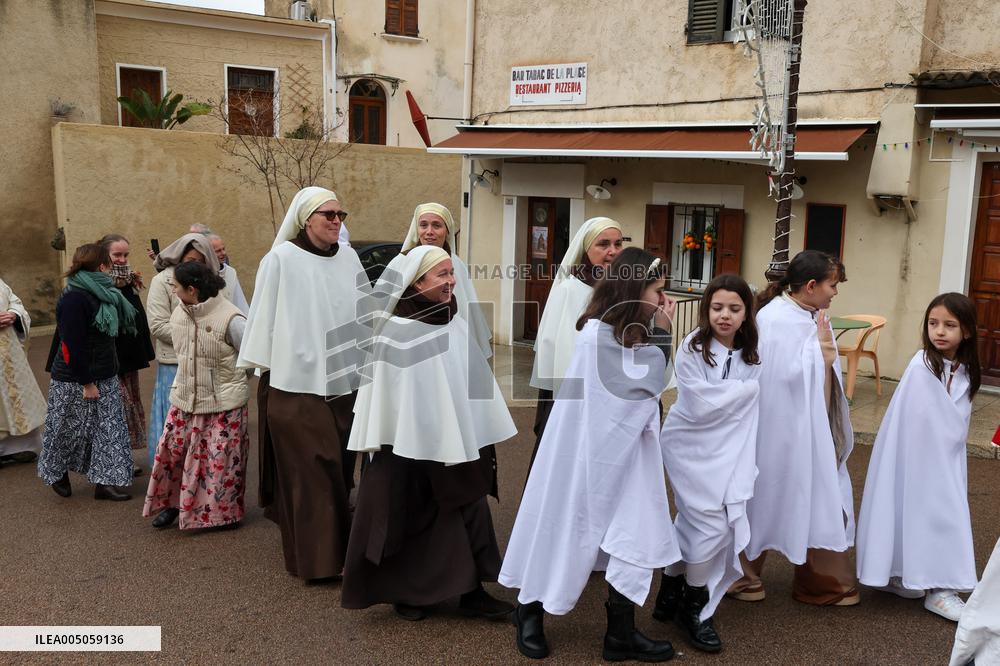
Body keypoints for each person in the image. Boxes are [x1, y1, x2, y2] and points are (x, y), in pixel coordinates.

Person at [501, 248, 679, 662]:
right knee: (563, 528)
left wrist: (655, 333)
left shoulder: (632, 336)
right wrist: (664, 333)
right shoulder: (595, 336)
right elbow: (640, 389)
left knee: (632, 531)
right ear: (635, 291)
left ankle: (620, 633)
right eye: (657, 291)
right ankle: (529, 612)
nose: (661, 300)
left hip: (629, 458)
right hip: (583, 459)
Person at [342, 245, 517, 621]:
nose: (451, 281)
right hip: (406, 449)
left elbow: (469, 380)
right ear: (416, 281)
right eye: (442, 275)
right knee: (408, 514)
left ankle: (473, 591)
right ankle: (410, 593)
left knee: (470, 503)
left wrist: (474, 426)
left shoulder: (453, 319)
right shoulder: (394, 331)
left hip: (454, 441)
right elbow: (388, 397)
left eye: (451, 273)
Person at [238, 186, 371, 581]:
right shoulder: (280, 259)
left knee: (341, 474)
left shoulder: (348, 258)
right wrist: (265, 371)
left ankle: (339, 554)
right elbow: (263, 317)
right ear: (305, 219)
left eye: (340, 215)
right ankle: (316, 563)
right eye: (328, 214)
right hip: (295, 388)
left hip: (344, 386)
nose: (336, 221)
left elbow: (364, 313)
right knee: (313, 474)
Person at [733, 250, 858, 606]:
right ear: (811, 285)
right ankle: (742, 573)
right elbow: (774, 378)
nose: (835, 293)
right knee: (770, 495)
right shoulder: (775, 319)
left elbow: (816, 368)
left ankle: (815, 579)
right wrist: (821, 359)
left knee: (813, 494)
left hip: (808, 428)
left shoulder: (812, 315)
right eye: (833, 285)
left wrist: (825, 359)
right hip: (780, 431)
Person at [856, 293, 981, 621]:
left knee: (941, 511)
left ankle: (932, 581)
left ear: (966, 331)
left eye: (950, 325)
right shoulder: (922, 364)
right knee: (928, 510)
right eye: (933, 323)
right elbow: (920, 416)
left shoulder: (965, 369)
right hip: (919, 458)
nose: (939, 331)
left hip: (945, 459)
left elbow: (956, 418)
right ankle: (933, 585)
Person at [656, 274, 761, 653]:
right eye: (717, 307)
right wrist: (747, 390)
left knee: (694, 520)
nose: (725, 316)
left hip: (730, 451)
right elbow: (699, 404)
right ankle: (694, 606)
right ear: (706, 310)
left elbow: (729, 404)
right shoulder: (692, 347)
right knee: (710, 522)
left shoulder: (753, 353)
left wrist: (739, 393)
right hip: (689, 448)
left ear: (746, 313)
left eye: (734, 308)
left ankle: (670, 591)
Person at [143, 261, 249, 530]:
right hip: (185, 399)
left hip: (222, 404)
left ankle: (222, 516)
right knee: (173, 456)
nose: (174, 292)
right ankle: (173, 506)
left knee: (219, 463)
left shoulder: (231, 318)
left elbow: (248, 358)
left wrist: (223, 384)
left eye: (176, 287)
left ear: (192, 289)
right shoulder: (180, 312)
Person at [37, 243, 136, 501]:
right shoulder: (74, 297)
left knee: (109, 427)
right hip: (74, 378)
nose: (116, 266)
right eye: (111, 262)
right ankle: (56, 470)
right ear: (102, 266)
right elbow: (70, 345)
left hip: (105, 372)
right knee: (67, 428)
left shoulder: (107, 292)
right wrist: (86, 382)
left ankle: (105, 482)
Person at [527, 217, 623, 470]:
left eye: (617, 244)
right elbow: (557, 349)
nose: (612, 251)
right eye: (603, 244)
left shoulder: (624, 291)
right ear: (585, 250)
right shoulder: (570, 289)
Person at [145, 233, 225, 467]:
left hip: (207, 365)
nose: (194, 265)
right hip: (175, 364)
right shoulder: (163, 281)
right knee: (176, 433)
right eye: (190, 259)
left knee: (204, 431)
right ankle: (171, 481)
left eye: (200, 261)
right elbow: (158, 325)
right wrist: (199, 338)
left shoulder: (212, 281)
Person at [389, 203, 493, 358]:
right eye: (423, 225)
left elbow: (467, 312)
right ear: (416, 230)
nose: (429, 232)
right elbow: (386, 308)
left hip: (452, 346)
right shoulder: (400, 262)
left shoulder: (457, 265)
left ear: (447, 231)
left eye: (436, 225)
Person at [97, 234, 155, 476]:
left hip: (127, 359)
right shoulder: (98, 285)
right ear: (104, 258)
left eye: (125, 255)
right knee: (115, 409)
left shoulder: (129, 282)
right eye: (116, 255)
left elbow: (137, 319)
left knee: (128, 407)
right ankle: (111, 463)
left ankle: (123, 460)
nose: (122, 260)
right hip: (107, 361)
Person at [0, 276, 47, 467]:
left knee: (14, 399)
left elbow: (15, 302)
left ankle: (17, 448)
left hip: (7, 350)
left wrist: (13, 314)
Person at [206, 233, 250, 315]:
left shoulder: (231, 272)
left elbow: (239, 301)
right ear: (209, 253)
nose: (223, 253)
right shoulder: (203, 274)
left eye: (223, 249)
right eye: (218, 251)